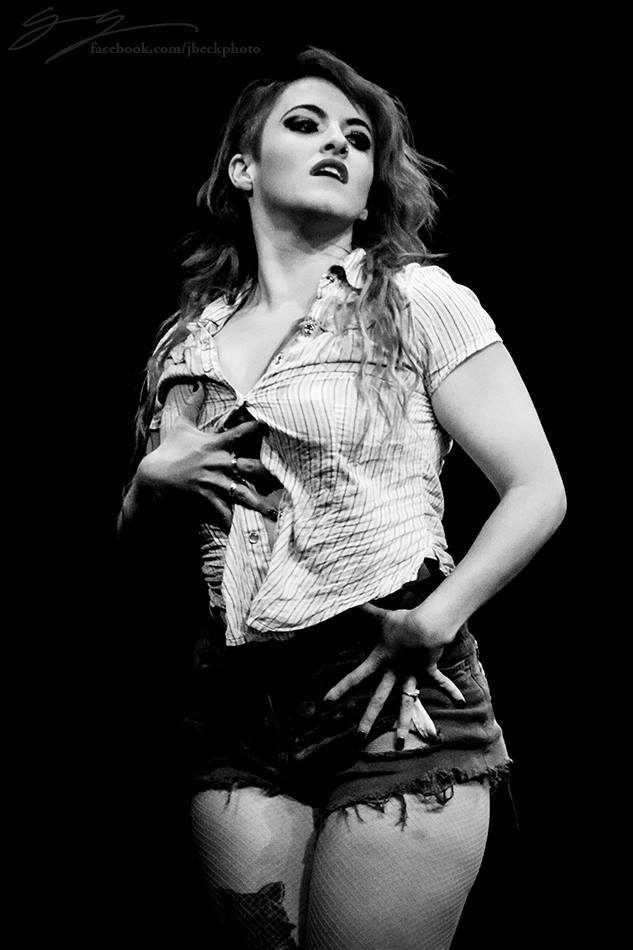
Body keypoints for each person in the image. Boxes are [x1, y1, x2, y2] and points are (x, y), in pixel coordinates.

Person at [119, 47, 566, 950]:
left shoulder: (413, 301)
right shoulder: (186, 347)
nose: (337, 145)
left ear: (367, 193)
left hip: (391, 685)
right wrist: (143, 487)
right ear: (243, 169)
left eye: (357, 140)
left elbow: (536, 488)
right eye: (305, 125)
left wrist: (437, 616)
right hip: (236, 699)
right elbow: (140, 562)